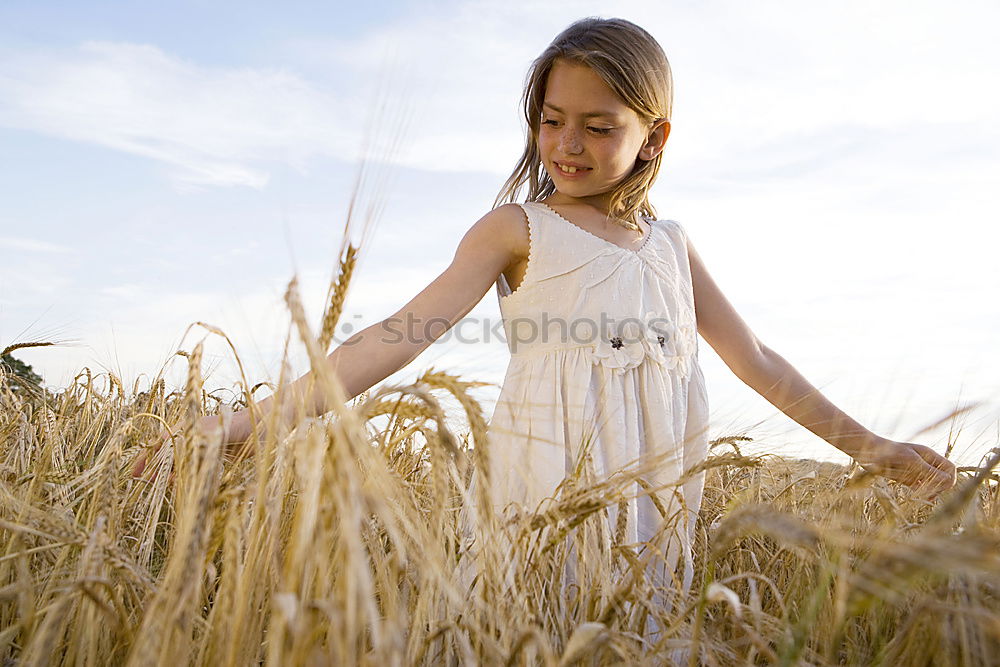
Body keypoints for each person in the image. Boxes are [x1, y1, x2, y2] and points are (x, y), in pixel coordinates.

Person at [133, 14, 956, 609]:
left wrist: (874, 446)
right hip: (550, 489)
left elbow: (759, 361)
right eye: (551, 120)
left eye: (599, 127)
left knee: (639, 625)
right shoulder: (515, 228)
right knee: (543, 622)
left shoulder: (672, 245)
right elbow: (396, 337)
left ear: (654, 137)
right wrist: (244, 423)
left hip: (658, 496)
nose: (565, 144)